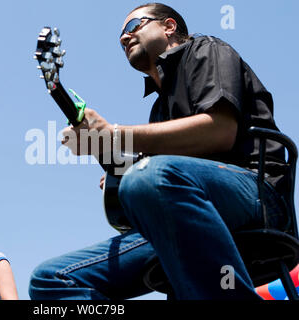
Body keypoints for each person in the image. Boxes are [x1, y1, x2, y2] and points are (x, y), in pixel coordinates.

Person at [28, 2, 289, 300]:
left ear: (169, 26)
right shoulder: (159, 108)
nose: (125, 38)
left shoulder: (206, 50)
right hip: (177, 214)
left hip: (254, 198)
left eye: (132, 27)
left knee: (147, 178)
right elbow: (154, 177)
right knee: (50, 279)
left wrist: (117, 137)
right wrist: (118, 173)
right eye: (120, 38)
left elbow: (220, 130)